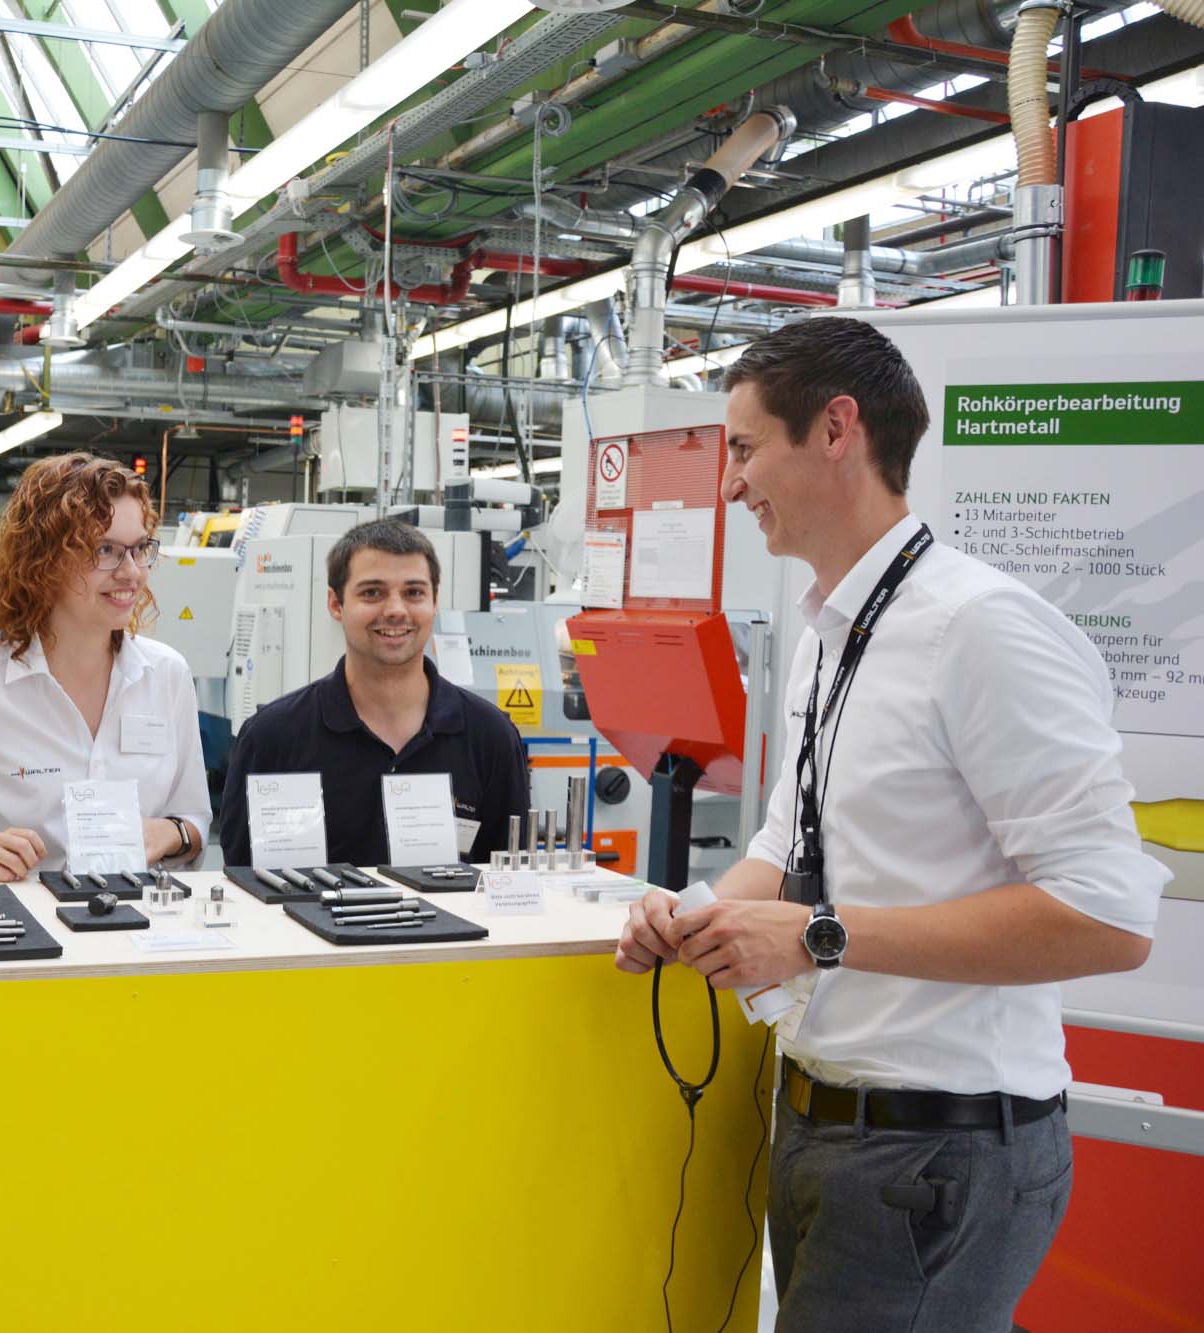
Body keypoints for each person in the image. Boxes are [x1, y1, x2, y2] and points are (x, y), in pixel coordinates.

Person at [614, 317, 1164, 1330]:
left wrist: (819, 936)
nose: (728, 485)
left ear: (836, 429)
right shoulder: (832, 630)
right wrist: (694, 914)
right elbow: (786, 849)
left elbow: (1108, 916)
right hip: (823, 1122)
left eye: (744, 449)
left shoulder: (980, 628)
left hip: (940, 1150)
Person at [0, 452, 209, 881]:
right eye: (105, 550)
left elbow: (195, 817)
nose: (132, 572)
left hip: (141, 918)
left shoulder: (167, 675)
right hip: (20, 919)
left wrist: (171, 833)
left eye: (140, 549)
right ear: (43, 561)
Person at [218, 519, 528, 867]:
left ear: (435, 601)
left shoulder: (489, 737)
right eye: (372, 593)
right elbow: (242, 880)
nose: (395, 610)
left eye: (414, 593)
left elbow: (508, 874)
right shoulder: (273, 738)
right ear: (335, 604)